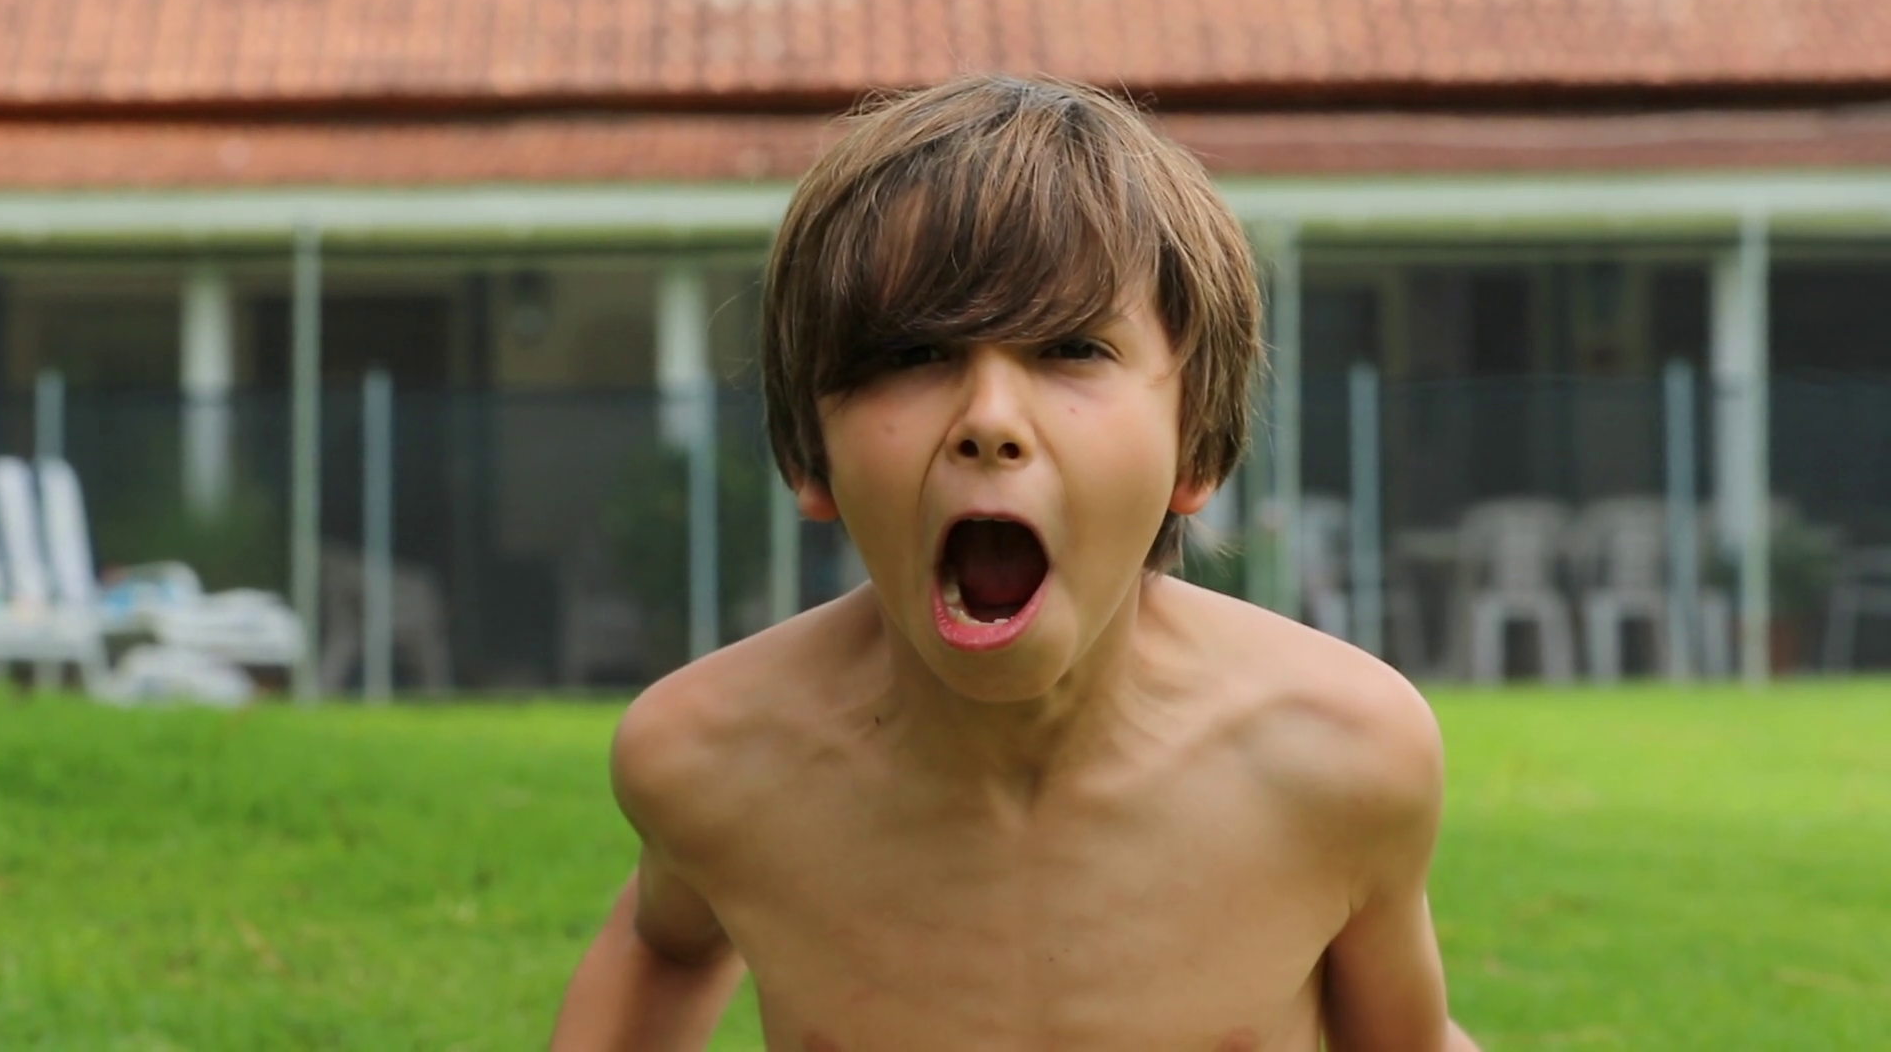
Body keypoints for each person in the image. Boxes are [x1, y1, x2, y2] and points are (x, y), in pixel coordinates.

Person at [551, 74, 1482, 1052]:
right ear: (809, 456)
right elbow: (665, 947)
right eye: (913, 354)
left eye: (1072, 347)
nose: (990, 420)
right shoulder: (711, 762)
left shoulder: (1341, 760)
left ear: (1195, 448)